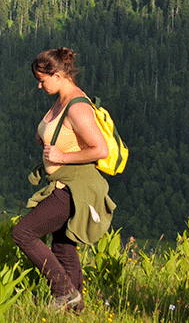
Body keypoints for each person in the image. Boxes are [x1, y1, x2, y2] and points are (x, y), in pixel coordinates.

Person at [11, 47, 116, 312]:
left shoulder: (77, 107)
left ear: (57, 75)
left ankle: (64, 292)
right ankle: (75, 310)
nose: (39, 85)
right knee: (64, 245)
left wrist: (60, 156)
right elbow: (63, 135)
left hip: (76, 186)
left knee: (23, 233)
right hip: (63, 182)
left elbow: (100, 149)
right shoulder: (61, 100)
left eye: (42, 79)